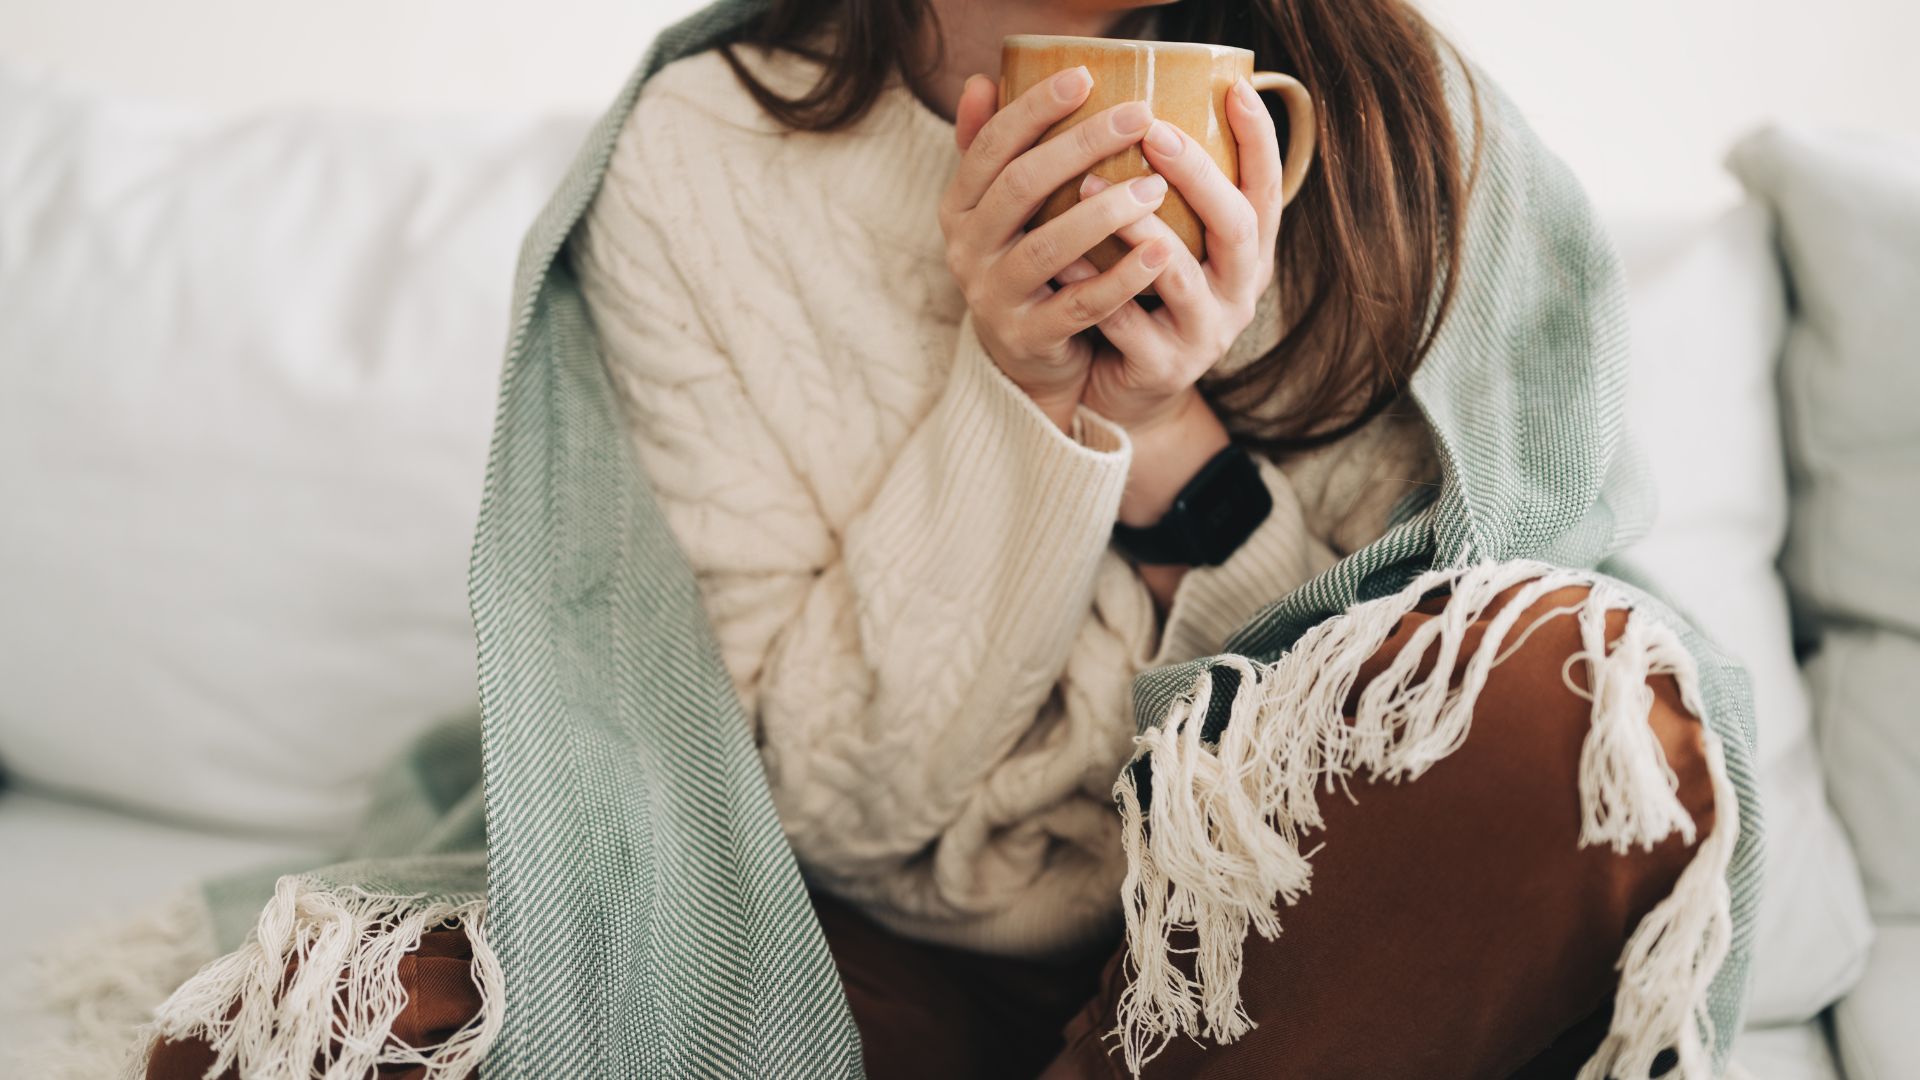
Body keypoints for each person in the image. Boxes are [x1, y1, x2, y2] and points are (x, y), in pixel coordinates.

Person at [143, 0, 1733, 1076]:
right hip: (846, 953)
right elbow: (818, 805)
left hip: (1285, 959)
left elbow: (1408, 694)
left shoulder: (1395, 135)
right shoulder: (706, 153)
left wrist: (1172, 438)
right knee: (303, 1025)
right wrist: (1024, 406)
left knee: (1576, 697)